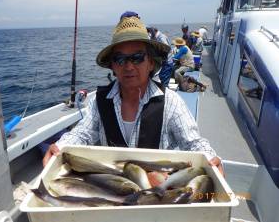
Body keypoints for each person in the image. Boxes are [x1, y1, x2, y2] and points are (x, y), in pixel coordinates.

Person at [42, 15, 223, 175]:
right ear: (112, 66)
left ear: (151, 63)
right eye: (120, 59)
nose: (128, 67)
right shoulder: (100, 101)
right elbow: (83, 133)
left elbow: (193, 142)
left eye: (137, 58)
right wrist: (61, 147)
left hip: (156, 194)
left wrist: (210, 159)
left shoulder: (171, 102)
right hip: (114, 190)